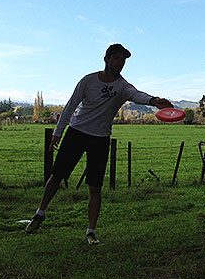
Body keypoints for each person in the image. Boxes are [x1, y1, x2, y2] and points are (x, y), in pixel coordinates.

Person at [25, 44, 173, 244]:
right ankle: (39, 214)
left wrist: (155, 101)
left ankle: (91, 232)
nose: (120, 63)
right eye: (116, 58)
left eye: (123, 60)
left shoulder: (123, 87)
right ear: (106, 59)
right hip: (76, 133)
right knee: (56, 176)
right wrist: (58, 133)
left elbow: (138, 95)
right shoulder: (88, 81)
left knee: (95, 187)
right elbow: (69, 107)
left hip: (100, 139)